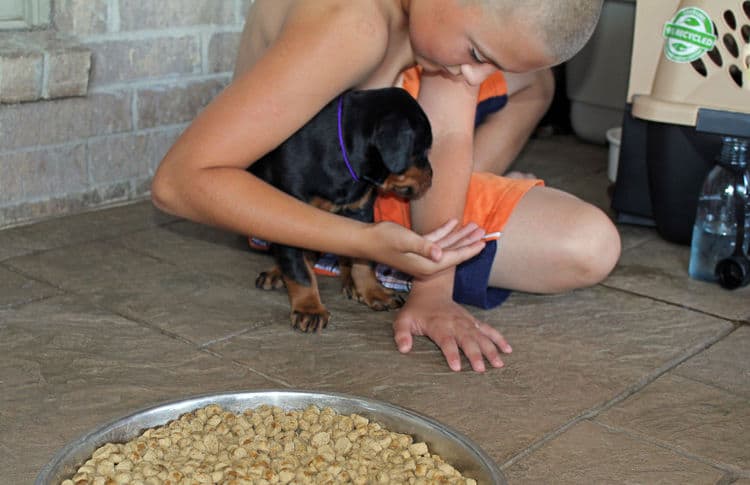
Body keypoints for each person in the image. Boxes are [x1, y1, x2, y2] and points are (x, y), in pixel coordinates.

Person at [151, 0, 621, 373]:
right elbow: (177, 183)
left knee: (536, 83)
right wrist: (365, 241)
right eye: (478, 55)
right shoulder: (352, 26)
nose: (475, 77)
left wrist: (434, 287)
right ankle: (343, 250)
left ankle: (402, 240)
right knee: (587, 245)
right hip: (296, 199)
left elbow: (450, 135)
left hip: (376, 159)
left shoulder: (434, 28)